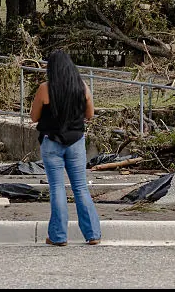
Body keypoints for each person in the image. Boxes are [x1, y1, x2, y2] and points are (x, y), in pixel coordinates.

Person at [29, 49, 102, 246]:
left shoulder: (45, 88)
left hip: (52, 142)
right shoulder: (82, 86)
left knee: (57, 188)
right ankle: (93, 234)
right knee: (80, 187)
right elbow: (90, 114)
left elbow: (34, 117)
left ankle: (58, 236)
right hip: (76, 142)